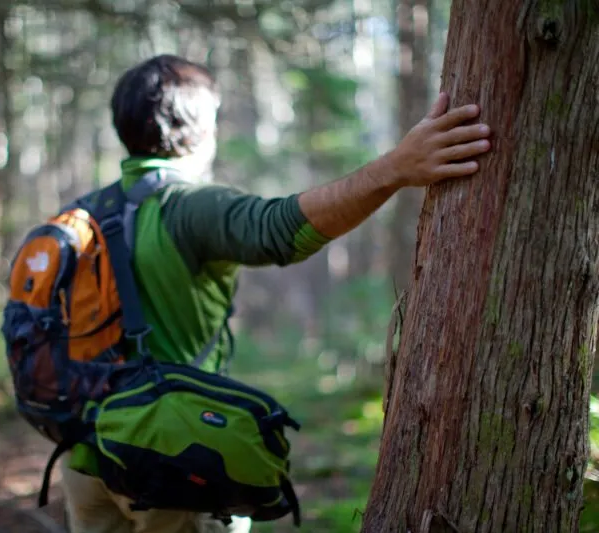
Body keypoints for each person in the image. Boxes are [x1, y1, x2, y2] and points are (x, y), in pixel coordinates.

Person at [59, 54, 492, 533]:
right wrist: (395, 168)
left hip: (84, 460)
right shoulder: (187, 205)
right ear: (198, 126)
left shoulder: (84, 214)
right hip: (164, 463)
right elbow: (280, 229)